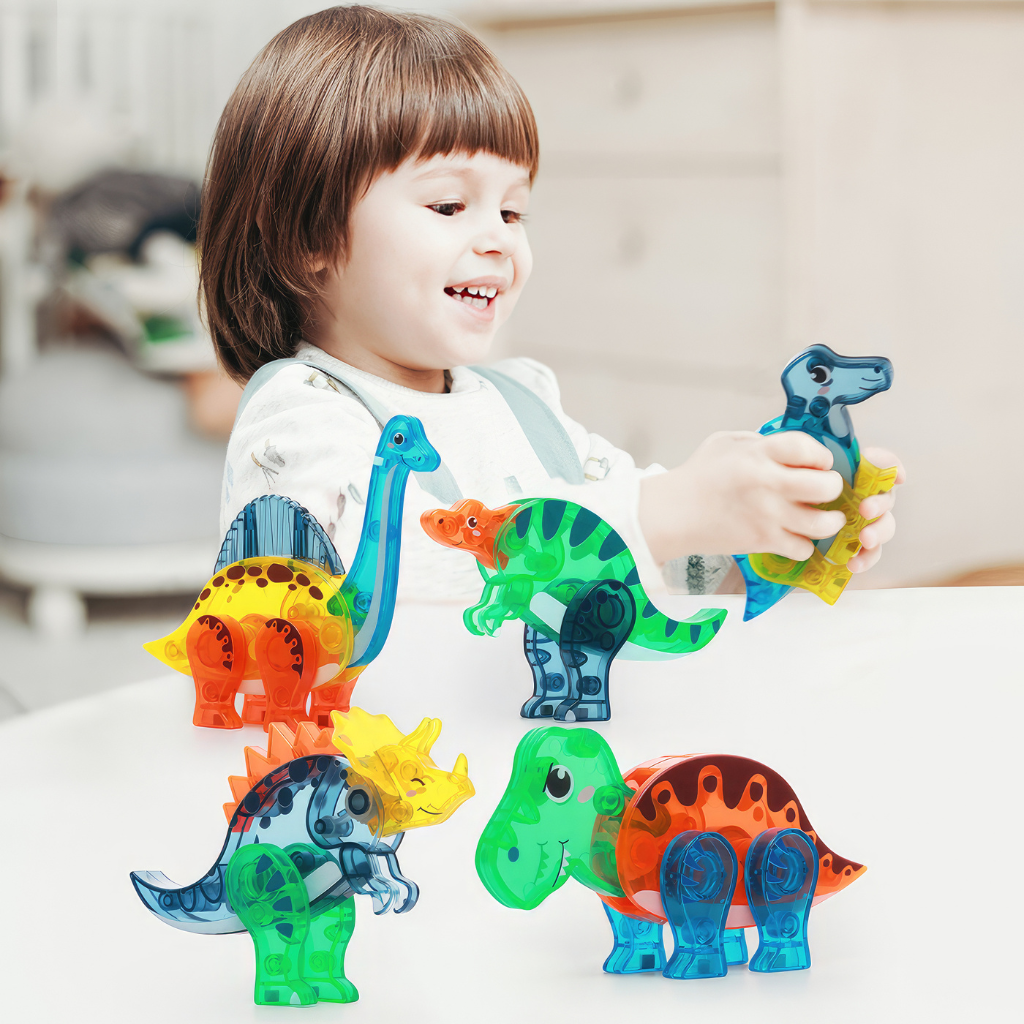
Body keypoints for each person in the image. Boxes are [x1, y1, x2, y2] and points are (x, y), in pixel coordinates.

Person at [202, 5, 903, 602]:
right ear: (307, 236)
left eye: (513, 213)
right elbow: (396, 591)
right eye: (449, 204)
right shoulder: (299, 419)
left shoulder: (526, 408)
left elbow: (640, 572)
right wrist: (663, 511)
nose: (497, 241)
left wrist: (755, 541)